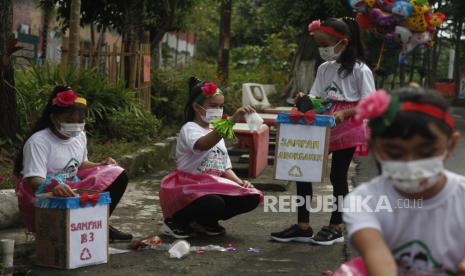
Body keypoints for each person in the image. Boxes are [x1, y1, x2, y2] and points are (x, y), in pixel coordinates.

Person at [270, 18, 375, 245]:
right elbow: (317, 97)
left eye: (325, 43)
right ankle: (302, 226)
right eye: (319, 44)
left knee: (338, 175)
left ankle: (335, 226)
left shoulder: (360, 69)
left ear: (343, 42)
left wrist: (344, 114)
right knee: (304, 171)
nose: (322, 49)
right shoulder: (324, 68)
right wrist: (306, 100)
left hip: (347, 125)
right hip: (321, 122)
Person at [343, 87, 465, 275]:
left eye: (426, 152)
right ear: (373, 148)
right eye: (395, 153)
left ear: (451, 145)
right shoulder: (364, 201)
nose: (410, 163)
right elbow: (377, 256)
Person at [14, 85, 132, 242]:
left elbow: (80, 164)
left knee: (117, 173)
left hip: (71, 186)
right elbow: (33, 179)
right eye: (69, 120)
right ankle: (78, 226)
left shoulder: (80, 135)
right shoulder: (38, 142)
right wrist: (55, 186)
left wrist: (101, 164)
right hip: (44, 194)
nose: (76, 125)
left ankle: (97, 223)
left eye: (80, 121)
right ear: (54, 118)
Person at [159, 77, 263, 238]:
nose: (218, 110)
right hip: (189, 187)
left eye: (221, 106)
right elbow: (203, 145)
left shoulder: (215, 130)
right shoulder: (190, 128)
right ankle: (176, 221)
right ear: (196, 107)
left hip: (212, 187)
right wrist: (230, 121)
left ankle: (204, 222)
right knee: (213, 202)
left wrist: (240, 182)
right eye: (213, 106)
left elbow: (224, 166)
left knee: (251, 197)